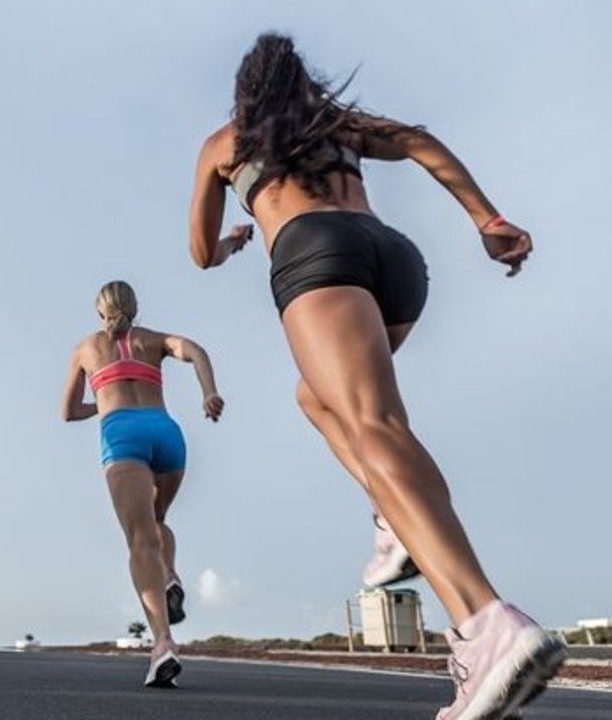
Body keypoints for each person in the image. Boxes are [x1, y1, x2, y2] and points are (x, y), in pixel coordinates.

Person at [188, 33, 565, 719]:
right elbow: (421, 142)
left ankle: (488, 623)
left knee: (372, 422)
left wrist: (235, 239)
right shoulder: (334, 124)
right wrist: (489, 220)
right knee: (322, 400)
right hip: (393, 260)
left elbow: (198, 253)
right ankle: (394, 521)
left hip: (315, 257)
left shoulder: (225, 142)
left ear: (245, 89)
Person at [62, 280, 223, 689]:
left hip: (123, 435)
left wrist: (104, 401)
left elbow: (67, 412)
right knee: (158, 519)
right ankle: (170, 574)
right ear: (135, 308)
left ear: (100, 312)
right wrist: (210, 393)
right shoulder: (153, 340)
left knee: (139, 540)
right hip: (167, 433)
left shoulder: (86, 348)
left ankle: (163, 643)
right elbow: (196, 351)